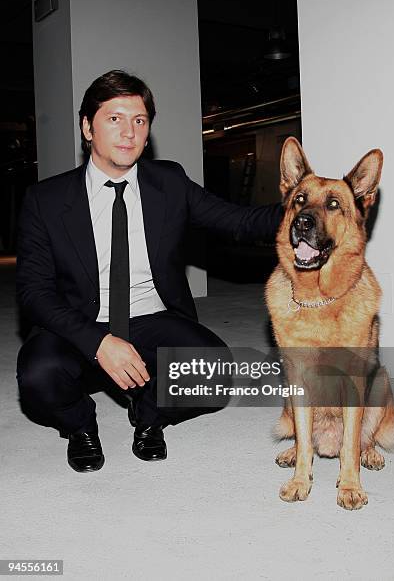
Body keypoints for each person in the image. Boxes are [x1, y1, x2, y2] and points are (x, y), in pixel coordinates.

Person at [16, 70, 283, 473]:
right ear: (88, 127)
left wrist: (307, 210)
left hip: (152, 316)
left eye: (139, 121)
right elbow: (34, 293)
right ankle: (81, 426)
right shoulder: (46, 199)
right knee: (38, 377)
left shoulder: (169, 182)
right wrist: (99, 342)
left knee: (216, 372)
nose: (129, 132)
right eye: (114, 118)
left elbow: (238, 221)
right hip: (80, 321)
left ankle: (149, 413)